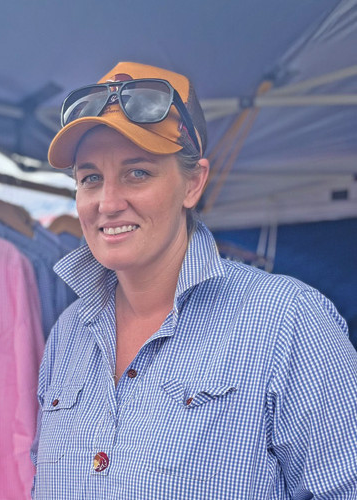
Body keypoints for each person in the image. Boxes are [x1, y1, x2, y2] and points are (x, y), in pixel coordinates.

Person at [31, 62, 357, 498]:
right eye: (91, 178)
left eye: (138, 173)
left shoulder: (289, 322)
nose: (107, 203)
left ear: (193, 183)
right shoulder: (68, 335)